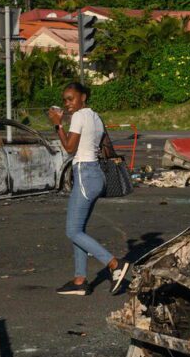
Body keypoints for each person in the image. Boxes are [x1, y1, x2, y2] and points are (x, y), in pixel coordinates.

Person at [48, 82, 130, 296]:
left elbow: (69, 148)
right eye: (65, 100)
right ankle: (80, 280)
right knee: (79, 229)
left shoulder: (79, 116)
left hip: (85, 174)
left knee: (72, 230)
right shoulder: (95, 117)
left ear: (83, 97)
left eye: (71, 98)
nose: (67, 104)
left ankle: (114, 264)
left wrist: (58, 125)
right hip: (97, 175)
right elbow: (102, 145)